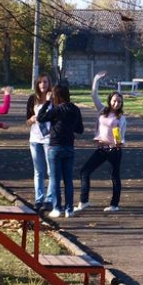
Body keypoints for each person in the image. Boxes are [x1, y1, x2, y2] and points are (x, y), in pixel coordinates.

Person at [74, 71, 126, 213]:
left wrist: (117, 141)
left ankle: (114, 205)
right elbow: (94, 95)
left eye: (119, 102)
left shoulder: (120, 118)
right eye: (114, 100)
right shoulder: (102, 110)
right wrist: (96, 79)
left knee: (114, 177)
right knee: (85, 171)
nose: (116, 103)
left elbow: (120, 137)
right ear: (110, 100)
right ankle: (84, 201)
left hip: (114, 150)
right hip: (101, 149)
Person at [36, 81, 84, 219]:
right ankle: (69, 209)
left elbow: (40, 117)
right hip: (69, 146)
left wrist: (47, 102)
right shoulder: (75, 109)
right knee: (68, 180)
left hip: (55, 146)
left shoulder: (56, 110)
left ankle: (57, 208)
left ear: (56, 96)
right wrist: (69, 126)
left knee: (55, 179)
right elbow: (80, 129)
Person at [25, 74, 52, 211]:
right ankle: (39, 199)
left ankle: (50, 199)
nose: (43, 84)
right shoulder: (32, 99)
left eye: (45, 82)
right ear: (37, 84)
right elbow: (27, 121)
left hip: (49, 139)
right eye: (40, 82)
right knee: (38, 171)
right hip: (35, 139)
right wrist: (32, 119)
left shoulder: (53, 99)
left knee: (50, 171)